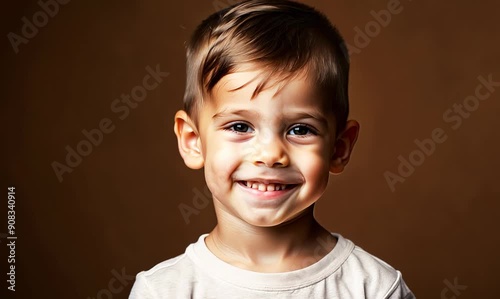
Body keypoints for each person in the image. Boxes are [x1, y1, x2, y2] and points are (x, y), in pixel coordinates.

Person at [130, 0, 415, 298]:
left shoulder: (375, 288)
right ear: (192, 141)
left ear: (339, 148)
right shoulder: (162, 291)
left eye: (300, 130)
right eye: (240, 127)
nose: (270, 155)